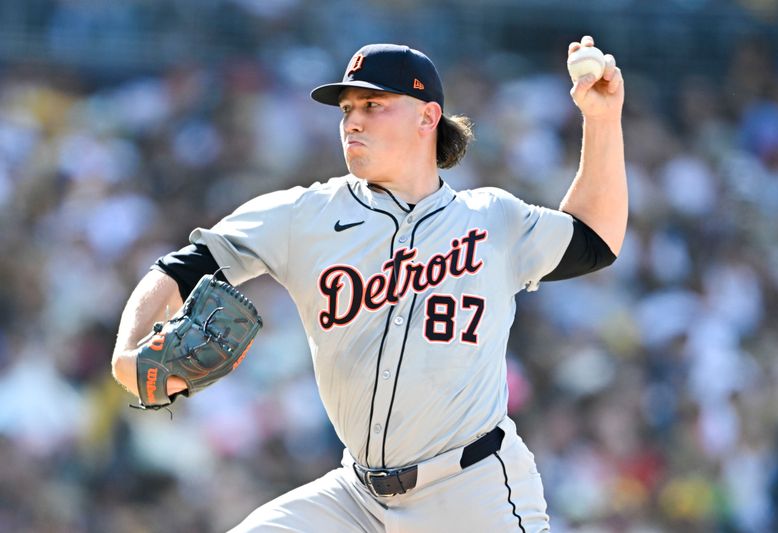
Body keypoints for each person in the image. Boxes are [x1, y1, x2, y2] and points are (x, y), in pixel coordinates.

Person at [111, 36, 626, 532]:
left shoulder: (493, 219)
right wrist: (127, 351)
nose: (352, 120)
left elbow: (595, 239)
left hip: (472, 493)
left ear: (428, 116)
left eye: (373, 105)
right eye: (346, 109)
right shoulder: (304, 215)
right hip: (356, 497)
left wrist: (601, 121)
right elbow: (182, 267)